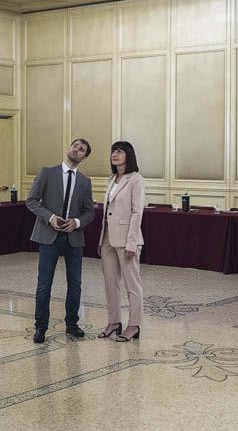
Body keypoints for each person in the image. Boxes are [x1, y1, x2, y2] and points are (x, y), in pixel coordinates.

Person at [26, 139, 96, 343]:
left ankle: (72, 324)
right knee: (44, 284)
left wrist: (76, 222)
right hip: (49, 236)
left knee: (75, 284)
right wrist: (50, 218)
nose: (77, 149)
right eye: (75, 146)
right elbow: (31, 201)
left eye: (82, 149)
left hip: (73, 239)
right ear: (69, 148)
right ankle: (40, 327)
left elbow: (90, 212)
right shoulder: (47, 173)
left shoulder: (84, 181)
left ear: (84, 157)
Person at [97, 141, 145, 342]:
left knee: (132, 285)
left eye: (119, 151)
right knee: (110, 283)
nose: (114, 155)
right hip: (108, 237)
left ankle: (134, 325)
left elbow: (137, 212)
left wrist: (132, 243)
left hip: (127, 239)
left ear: (128, 155)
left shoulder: (135, 179)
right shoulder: (112, 179)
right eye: (113, 151)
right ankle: (114, 322)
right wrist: (102, 239)